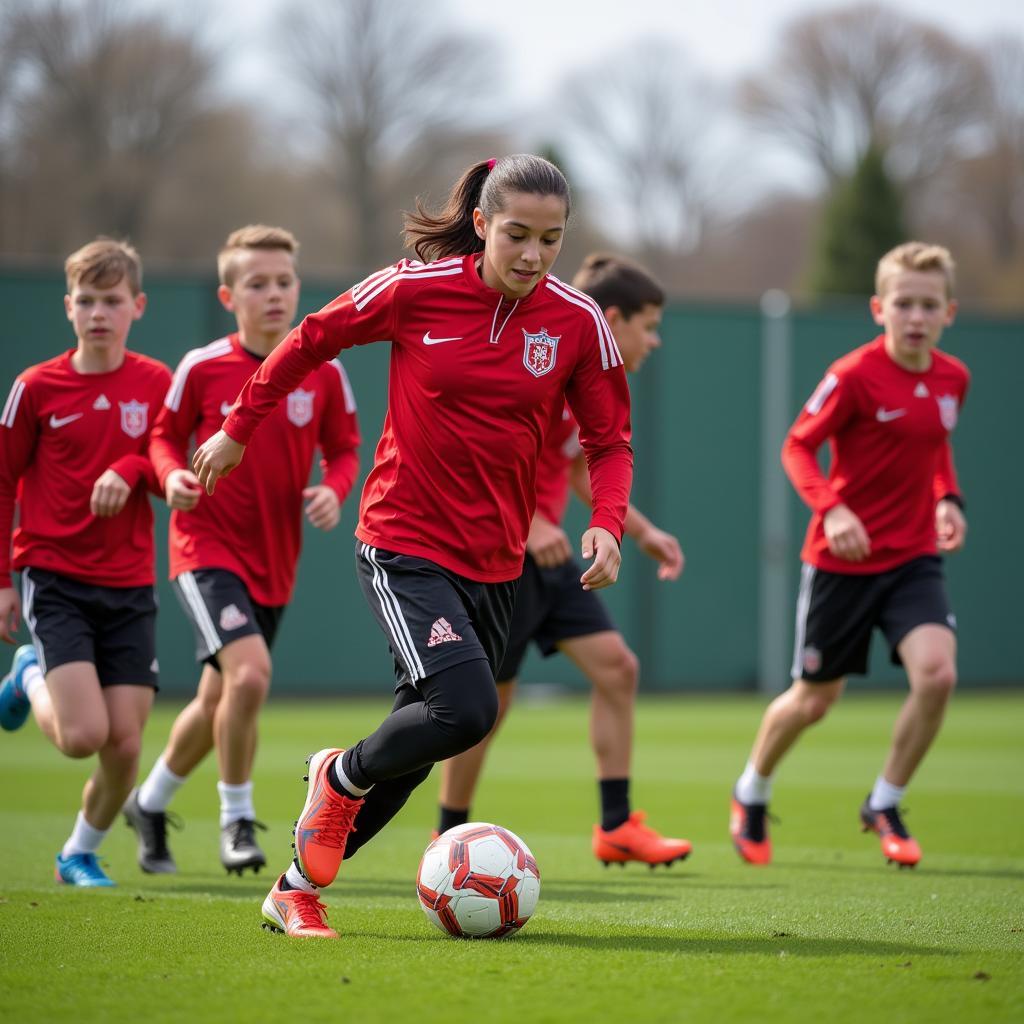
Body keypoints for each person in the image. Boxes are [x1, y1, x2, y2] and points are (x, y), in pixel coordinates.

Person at [192, 154, 633, 938]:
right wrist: (237, 427)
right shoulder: (413, 288)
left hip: (496, 561)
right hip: (403, 540)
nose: (533, 255)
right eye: (517, 234)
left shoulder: (577, 322)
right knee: (465, 711)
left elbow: (609, 438)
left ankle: (294, 887)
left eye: (552, 239)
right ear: (481, 225)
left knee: (424, 735)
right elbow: (310, 340)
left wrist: (607, 518)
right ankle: (338, 775)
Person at [433, 253, 690, 867]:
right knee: (487, 705)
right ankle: (446, 839)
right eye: (648, 326)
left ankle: (616, 825)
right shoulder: (538, 363)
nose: (653, 341)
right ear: (611, 317)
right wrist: (532, 522)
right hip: (501, 554)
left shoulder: (586, 376)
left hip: (547, 560)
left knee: (618, 669)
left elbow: (580, 466)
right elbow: (478, 454)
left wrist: (644, 531)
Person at [124, 225, 360, 876]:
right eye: (257, 284)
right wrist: (171, 475)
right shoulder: (202, 367)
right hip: (204, 547)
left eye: (284, 282)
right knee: (250, 677)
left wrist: (335, 491)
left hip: (275, 561)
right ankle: (236, 820)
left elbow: (344, 449)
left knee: (216, 699)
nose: (274, 294)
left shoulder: (325, 372)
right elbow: (161, 439)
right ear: (229, 295)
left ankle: (149, 802)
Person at [729, 241, 969, 869]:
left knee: (938, 674)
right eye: (904, 303)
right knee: (814, 700)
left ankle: (885, 801)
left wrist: (950, 499)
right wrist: (832, 508)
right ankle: (751, 789)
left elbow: (936, 446)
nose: (916, 316)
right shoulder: (853, 375)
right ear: (878, 308)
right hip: (841, 564)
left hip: (914, 557)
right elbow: (797, 446)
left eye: (929, 305)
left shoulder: (953, 378)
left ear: (949, 311)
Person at [0, 238, 172, 887]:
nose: (100, 312)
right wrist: (2, 583)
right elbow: (2, 481)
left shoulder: (157, 384)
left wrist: (129, 468)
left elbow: (164, 468)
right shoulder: (34, 388)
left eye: (113, 300)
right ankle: (28, 677)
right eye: (88, 300)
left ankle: (77, 852)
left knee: (124, 746)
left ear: (138, 306)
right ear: (68, 306)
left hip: (129, 585)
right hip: (55, 578)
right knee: (80, 738)